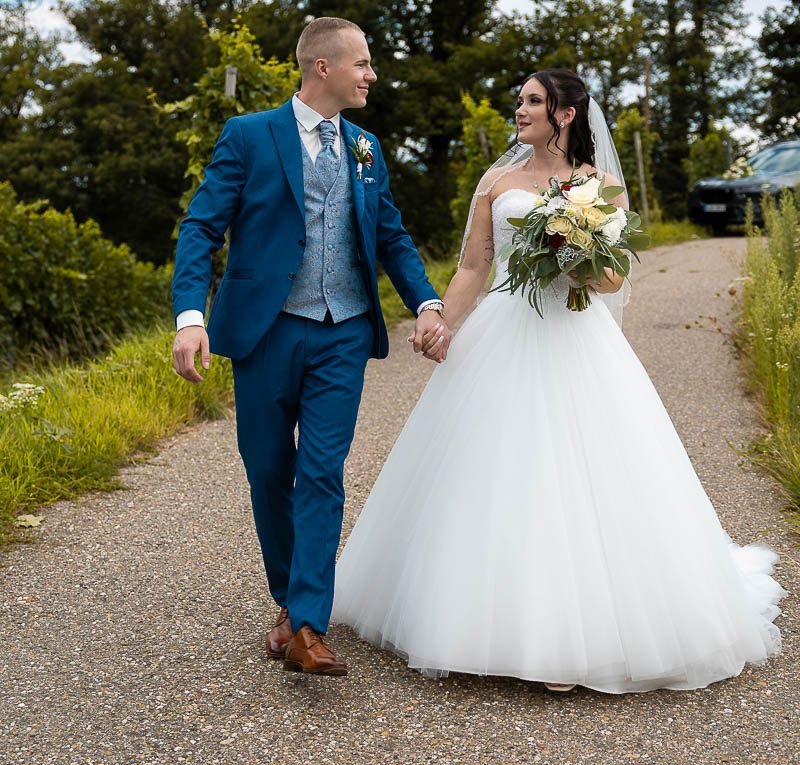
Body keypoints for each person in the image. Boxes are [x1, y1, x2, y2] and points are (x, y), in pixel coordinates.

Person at [332, 68, 785, 693]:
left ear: (567, 114)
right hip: (503, 328)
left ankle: (577, 636)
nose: (519, 110)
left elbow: (612, 282)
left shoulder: (599, 187)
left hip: (575, 337)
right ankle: (473, 615)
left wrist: (574, 250)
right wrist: (440, 320)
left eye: (533, 101)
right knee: (491, 471)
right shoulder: (497, 181)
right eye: (519, 99)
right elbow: (475, 264)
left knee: (584, 472)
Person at [171, 17, 452, 676]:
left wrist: (428, 303)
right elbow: (200, 227)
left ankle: (307, 626)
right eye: (363, 63)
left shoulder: (366, 148)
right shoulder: (249, 136)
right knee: (269, 470)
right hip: (265, 332)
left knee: (322, 473)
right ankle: (287, 600)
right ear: (321, 67)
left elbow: (390, 237)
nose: (371, 75)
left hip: (344, 332)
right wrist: (190, 317)